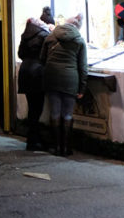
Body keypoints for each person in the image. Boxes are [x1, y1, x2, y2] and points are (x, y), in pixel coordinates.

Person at [40, 14, 88, 156]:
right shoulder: (79, 40)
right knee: (67, 114)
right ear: (78, 27)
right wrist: (82, 88)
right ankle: (65, 148)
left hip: (52, 78)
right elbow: (83, 67)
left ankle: (55, 147)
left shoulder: (50, 37)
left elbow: (42, 58)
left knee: (54, 112)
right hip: (70, 80)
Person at [17, 8, 53, 150]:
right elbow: (46, 56)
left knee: (32, 107)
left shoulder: (25, 34)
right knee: (37, 108)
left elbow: (20, 54)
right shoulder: (45, 35)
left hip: (25, 71)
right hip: (37, 73)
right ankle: (34, 141)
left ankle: (32, 139)